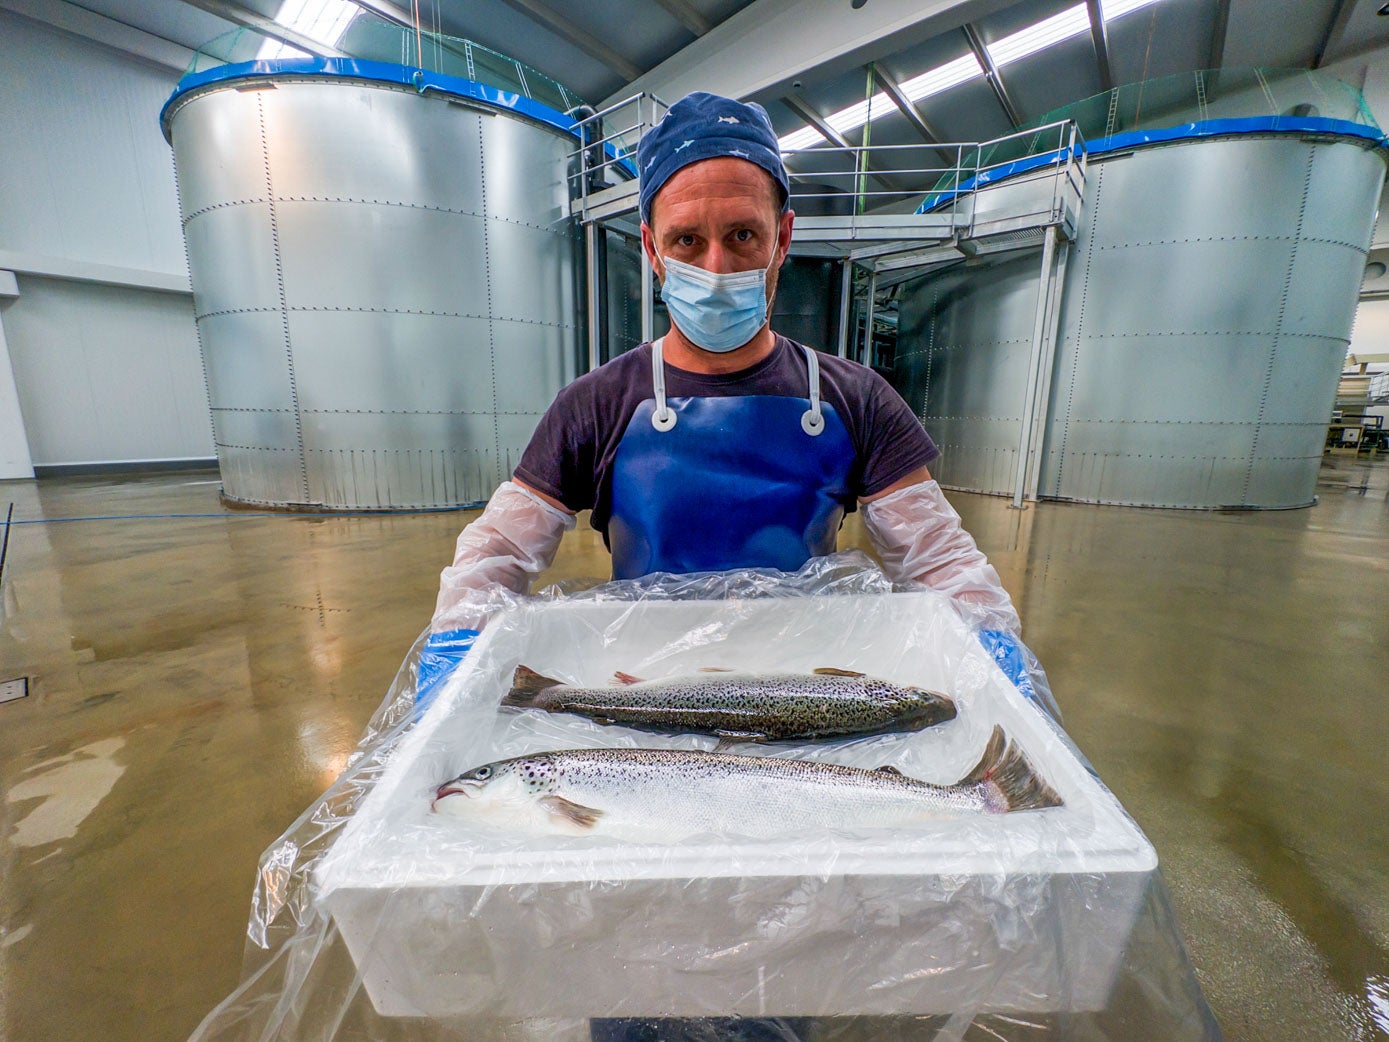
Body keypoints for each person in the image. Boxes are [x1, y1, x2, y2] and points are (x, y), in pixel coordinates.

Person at [422, 91, 1021, 696]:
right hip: (643, 685)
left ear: (782, 237)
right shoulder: (594, 404)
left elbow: (938, 560)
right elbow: (497, 553)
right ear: (651, 248)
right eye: (686, 240)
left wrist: (994, 653)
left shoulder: (857, 398)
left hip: (802, 687)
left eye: (742, 235)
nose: (716, 268)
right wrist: (455, 648)